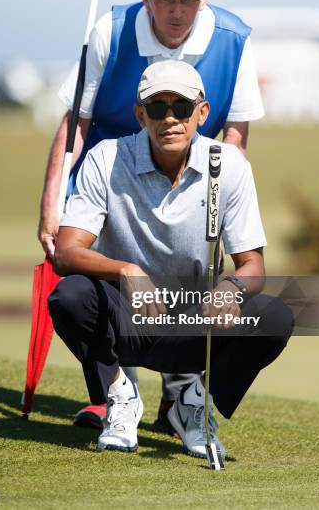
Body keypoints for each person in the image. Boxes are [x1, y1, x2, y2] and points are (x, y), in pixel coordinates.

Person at [39, 0, 265, 431]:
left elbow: (236, 134)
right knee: (89, 288)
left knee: (186, 279)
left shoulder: (234, 38)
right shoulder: (110, 31)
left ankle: (179, 397)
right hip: (111, 168)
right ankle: (115, 394)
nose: (177, 10)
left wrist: (221, 205)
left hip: (196, 168)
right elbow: (76, 122)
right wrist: (51, 206)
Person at [48, 60, 293, 458]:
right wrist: (127, 271)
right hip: (124, 318)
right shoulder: (106, 158)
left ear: (202, 112)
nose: (170, 119)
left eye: (181, 107)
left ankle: (193, 402)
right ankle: (119, 396)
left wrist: (231, 290)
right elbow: (67, 252)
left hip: (193, 324)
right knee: (71, 296)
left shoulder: (227, 166)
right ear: (139, 114)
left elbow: (253, 266)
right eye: (157, 108)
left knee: (274, 316)